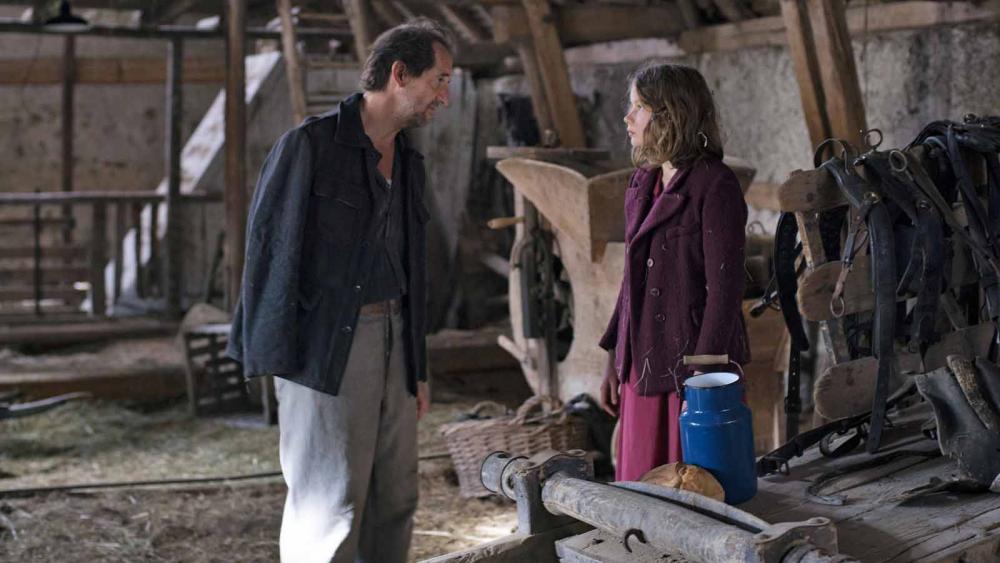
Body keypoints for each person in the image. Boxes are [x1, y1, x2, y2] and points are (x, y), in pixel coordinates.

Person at [226, 18, 454, 563]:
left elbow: (409, 266)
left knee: (396, 500)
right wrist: (281, 363)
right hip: (326, 345)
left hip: (395, 340)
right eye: (439, 80)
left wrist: (416, 366)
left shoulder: (410, 162)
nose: (444, 97)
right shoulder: (309, 146)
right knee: (329, 509)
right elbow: (269, 254)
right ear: (400, 74)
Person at [598, 63, 751, 482]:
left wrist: (702, 382)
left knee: (693, 485)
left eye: (638, 107)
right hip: (642, 363)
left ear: (670, 114)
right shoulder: (641, 182)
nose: (627, 118)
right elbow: (632, 281)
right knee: (640, 483)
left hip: (692, 367)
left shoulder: (715, 185)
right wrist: (613, 358)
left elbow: (725, 291)